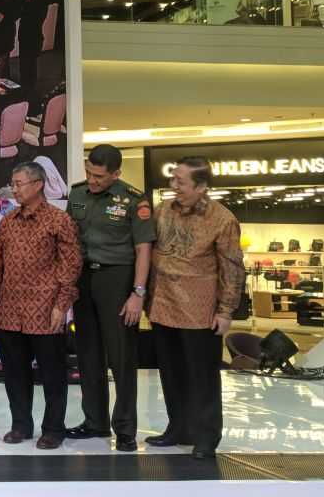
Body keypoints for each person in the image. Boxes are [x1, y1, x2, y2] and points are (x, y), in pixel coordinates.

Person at [145, 156, 245, 460]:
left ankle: (205, 437)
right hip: (162, 306)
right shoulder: (163, 210)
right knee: (170, 374)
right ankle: (178, 428)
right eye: (173, 179)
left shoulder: (222, 219)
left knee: (202, 377)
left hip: (200, 312)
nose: (174, 186)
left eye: (181, 181)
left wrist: (226, 311)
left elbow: (232, 268)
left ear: (201, 186)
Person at [64, 144, 155, 452]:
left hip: (117, 278)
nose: (92, 180)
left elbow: (143, 248)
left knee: (121, 356)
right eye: (89, 173)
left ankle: (125, 429)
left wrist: (138, 293)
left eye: (99, 176)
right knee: (88, 354)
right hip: (83, 279)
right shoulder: (77, 194)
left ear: (116, 174)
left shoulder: (133, 200)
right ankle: (95, 421)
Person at [0, 161, 82, 450]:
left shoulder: (59, 220)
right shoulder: (7, 221)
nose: (14, 189)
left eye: (19, 184)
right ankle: (20, 425)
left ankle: (53, 429)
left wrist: (61, 305)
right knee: (15, 373)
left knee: (52, 375)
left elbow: (71, 266)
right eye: (12, 184)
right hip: (10, 311)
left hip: (46, 310)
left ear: (38, 185)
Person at [17, 0, 48, 94]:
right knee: (26, 64)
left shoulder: (40, 1)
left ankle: (28, 90)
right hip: (27, 35)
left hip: (33, 37)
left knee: (29, 64)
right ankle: (26, 88)